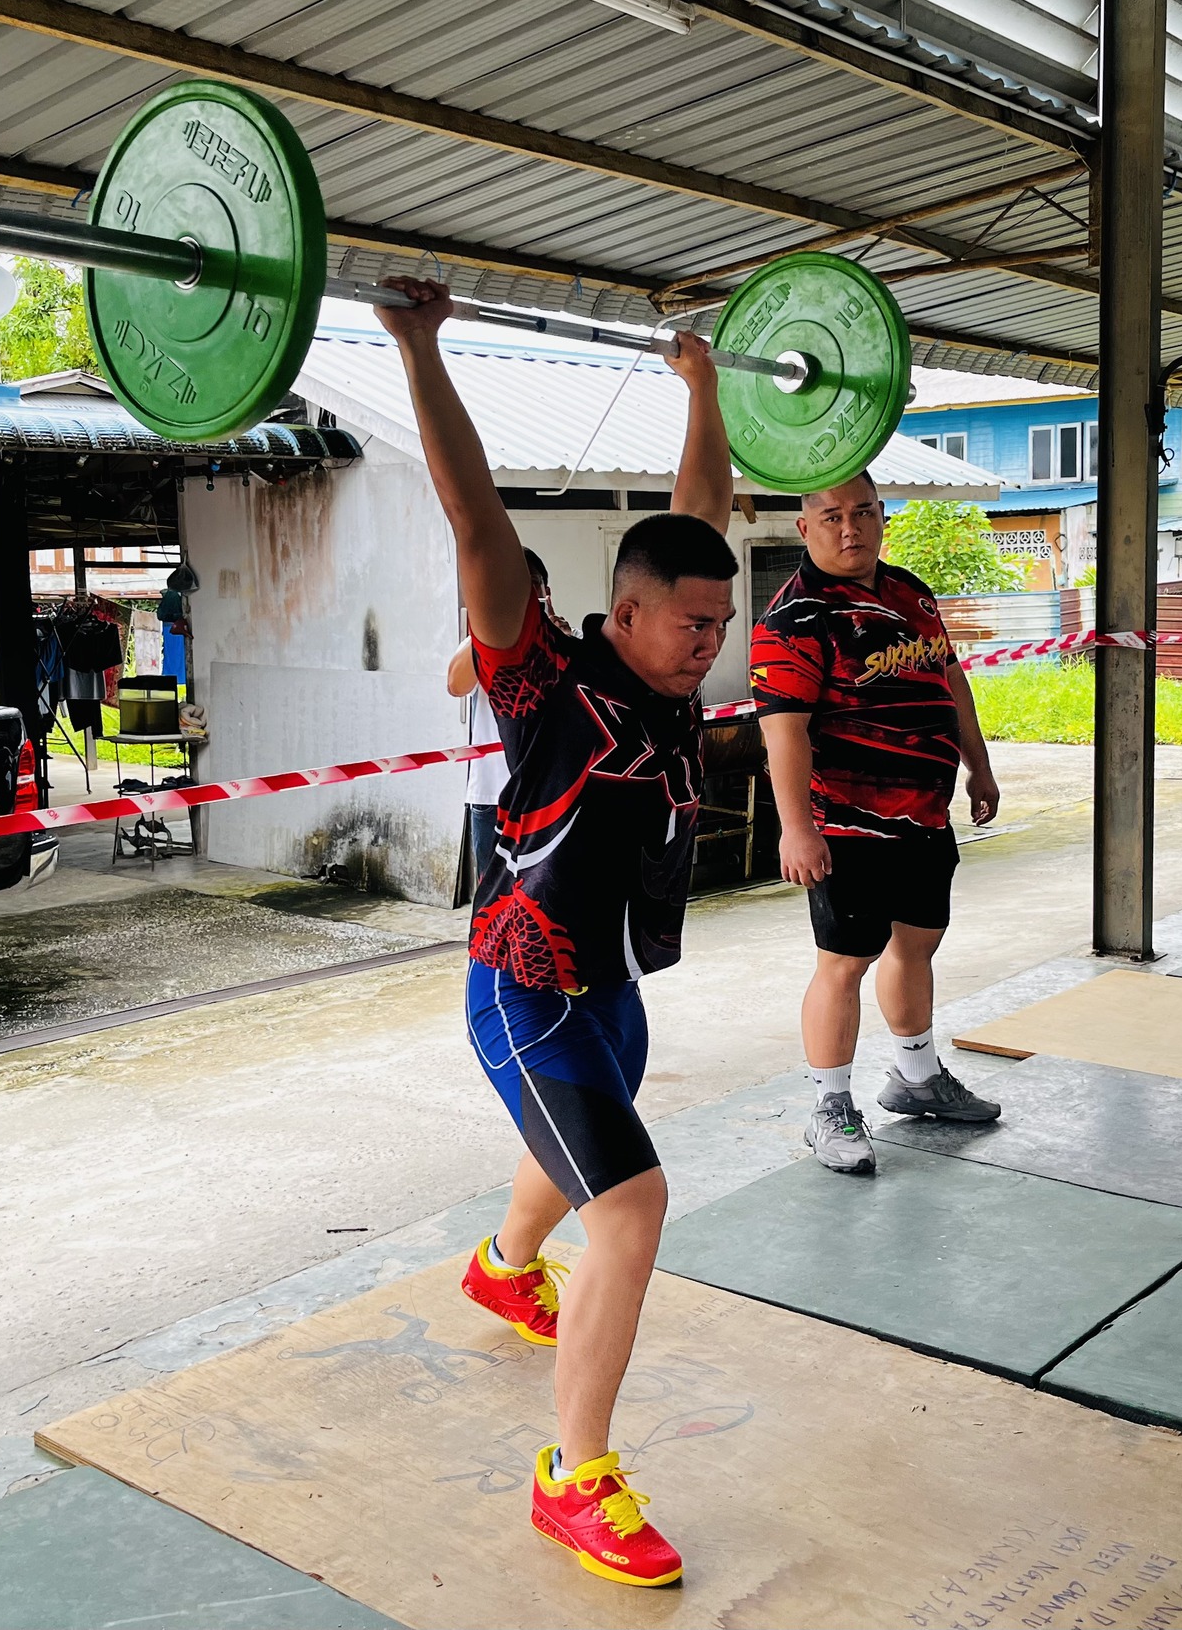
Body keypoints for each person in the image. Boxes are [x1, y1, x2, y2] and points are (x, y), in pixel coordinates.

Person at [376, 276, 733, 1589]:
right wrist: (418, 346)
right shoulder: (545, 681)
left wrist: (701, 385)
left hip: (611, 983)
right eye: (691, 623)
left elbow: (699, 514)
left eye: (720, 624)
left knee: (583, 1142)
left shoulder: (671, 676)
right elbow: (474, 517)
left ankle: (503, 1264)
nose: (709, 643)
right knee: (630, 1203)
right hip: (524, 989)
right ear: (622, 614)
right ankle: (572, 1476)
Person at [751, 472, 1004, 1175]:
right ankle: (829, 1107)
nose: (850, 527)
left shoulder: (910, 593)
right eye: (832, 516)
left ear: (882, 516)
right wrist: (796, 828)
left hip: (924, 816)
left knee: (918, 944)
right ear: (805, 528)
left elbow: (950, 681)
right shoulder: (794, 618)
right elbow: (784, 733)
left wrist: (979, 766)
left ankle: (917, 1076)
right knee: (845, 963)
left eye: (863, 512)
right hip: (846, 828)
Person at [446, 548, 553, 891]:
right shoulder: (483, 643)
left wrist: (552, 635)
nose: (522, 594)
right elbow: (456, 685)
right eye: (511, 585)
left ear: (545, 591)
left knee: (544, 895)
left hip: (551, 794)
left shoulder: (566, 640)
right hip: (492, 793)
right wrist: (491, 624)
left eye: (529, 584)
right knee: (492, 894)